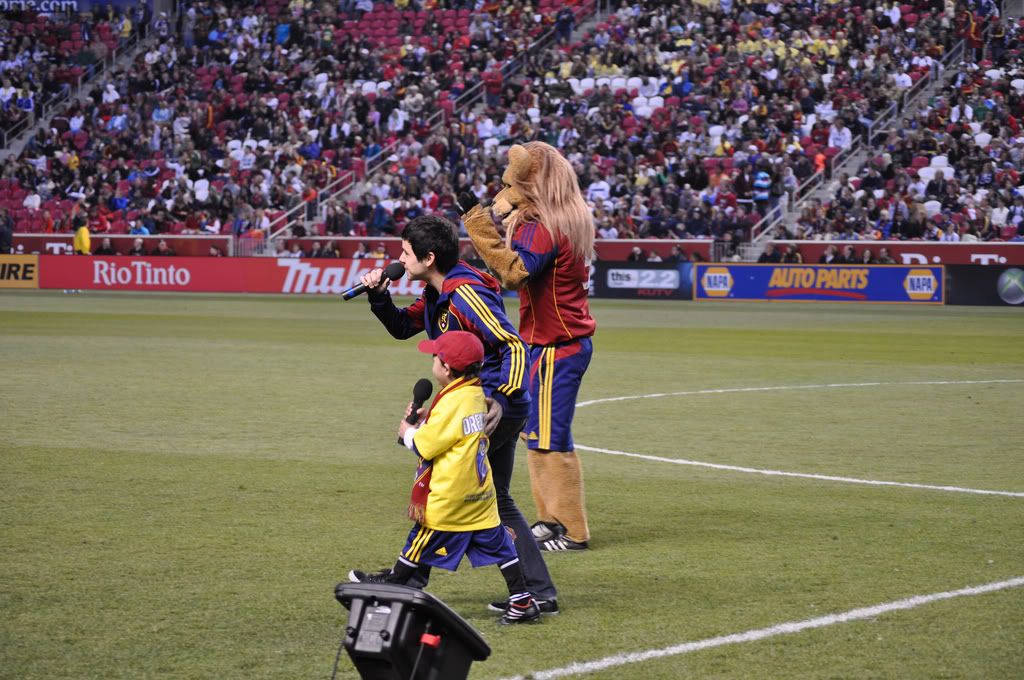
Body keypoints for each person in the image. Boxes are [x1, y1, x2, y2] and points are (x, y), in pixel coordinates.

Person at [351, 215, 559, 613]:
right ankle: (535, 592)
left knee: (445, 479)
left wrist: (499, 397)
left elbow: (513, 345)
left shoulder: (464, 294)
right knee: (493, 496)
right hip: (480, 403)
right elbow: (401, 327)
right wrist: (378, 295)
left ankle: (407, 578)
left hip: (497, 404)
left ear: (429, 258)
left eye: (406, 253)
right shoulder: (437, 291)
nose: (399, 258)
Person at [347, 332, 540, 625]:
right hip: (478, 493)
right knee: (500, 545)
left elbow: (427, 445)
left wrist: (407, 433)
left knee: (419, 541)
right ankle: (522, 601)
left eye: (435, 358)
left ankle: (389, 590)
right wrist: (428, 421)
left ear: (447, 369)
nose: (433, 361)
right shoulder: (474, 392)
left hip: (451, 495)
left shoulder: (454, 402)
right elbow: (454, 432)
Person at [459, 142, 596, 552]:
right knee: (537, 433)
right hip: (552, 340)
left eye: (511, 185)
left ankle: (571, 530)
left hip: (558, 343)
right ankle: (550, 519)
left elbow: (514, 273)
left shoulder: (543, 225)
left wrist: (477, 224)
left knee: (550, 436)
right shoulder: (561, 219)